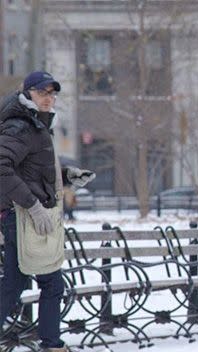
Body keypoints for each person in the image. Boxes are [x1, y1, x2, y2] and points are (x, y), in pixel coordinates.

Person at [0, 71, 95, 352]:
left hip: (25, 216)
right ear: (27, 92)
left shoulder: (36, 125)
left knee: (16, 284)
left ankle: (51, 343)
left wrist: (66, 176)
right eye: (43, 93)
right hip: (23, 217)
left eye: (52, 94)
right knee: (50, 282)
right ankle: (52, 344)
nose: (48, 99)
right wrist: (33, 205)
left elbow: (32, 172)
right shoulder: (20, 126)